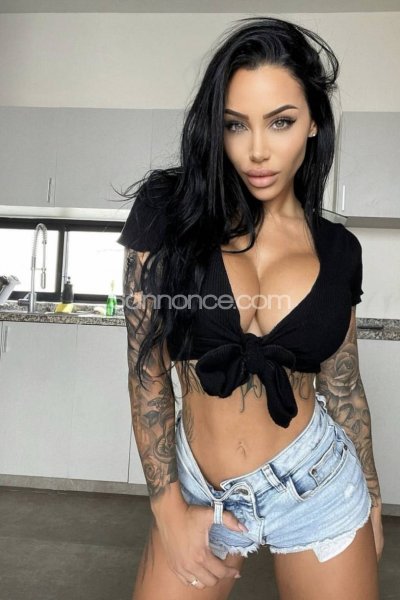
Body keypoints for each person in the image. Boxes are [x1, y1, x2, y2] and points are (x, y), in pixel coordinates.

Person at [117, 16, 384, 600]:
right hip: (198, 488)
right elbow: (146, 370)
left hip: (320, 484)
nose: (257, 150)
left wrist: (370, 491)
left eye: (280, 122)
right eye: (236, 125)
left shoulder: (340, 250)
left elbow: (343, 383)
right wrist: (167, 507)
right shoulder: (167, 210)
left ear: (313, 122)